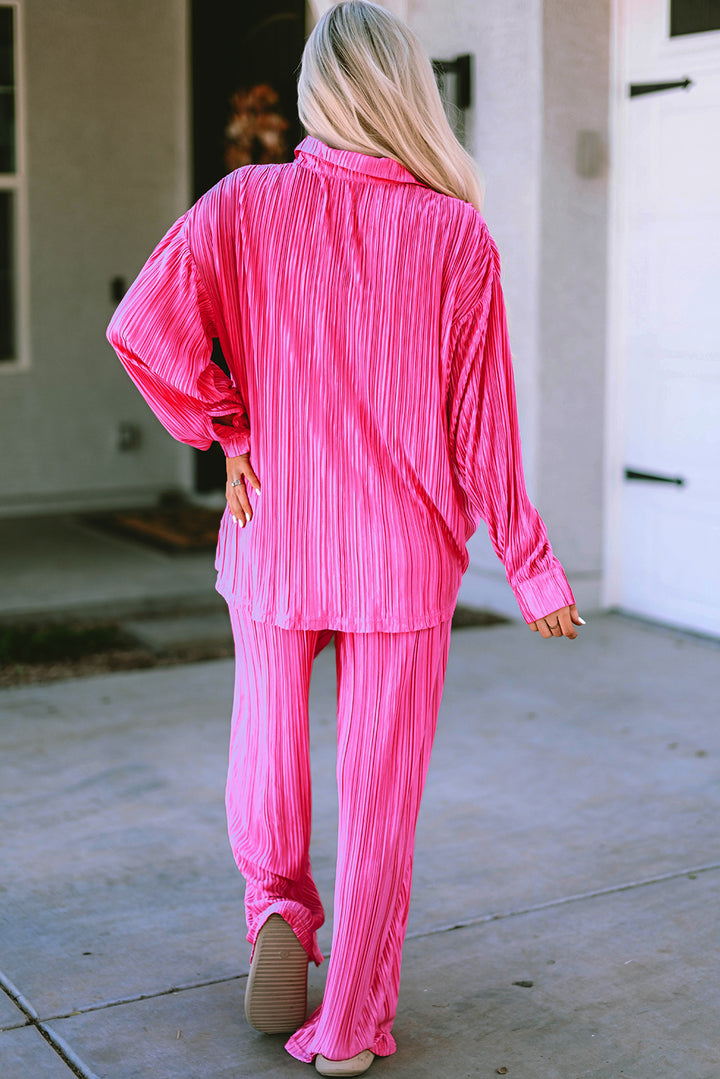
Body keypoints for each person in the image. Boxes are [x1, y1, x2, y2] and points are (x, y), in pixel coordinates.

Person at [106, 2, 584, 1074]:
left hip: (276, 524)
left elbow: (143, 328)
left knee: (267, 740)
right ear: (409, 93)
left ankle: (278, 905)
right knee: (381, 789)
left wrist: (226, 425)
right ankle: (353, 1021)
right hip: (402, 555)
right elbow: (482, 425)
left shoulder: (242, 203)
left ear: (318, 88)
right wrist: (532, 564)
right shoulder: (455, 234)